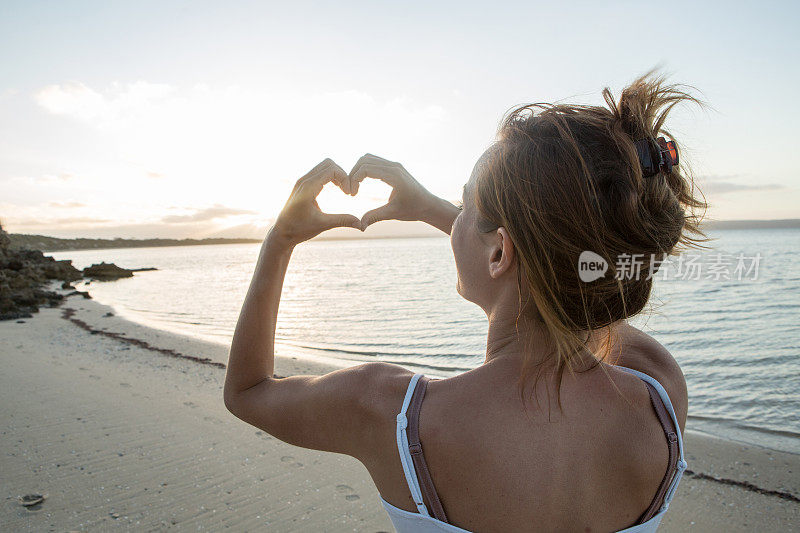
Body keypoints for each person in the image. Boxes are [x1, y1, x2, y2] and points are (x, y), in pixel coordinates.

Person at [223, 71, 706, 532]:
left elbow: (248, 392)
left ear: (500, 251)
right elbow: (579, 280)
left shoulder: (393, 413)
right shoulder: (659, 388)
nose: (453, 218)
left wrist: (280, 240)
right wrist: (440, 210)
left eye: (463, 204)